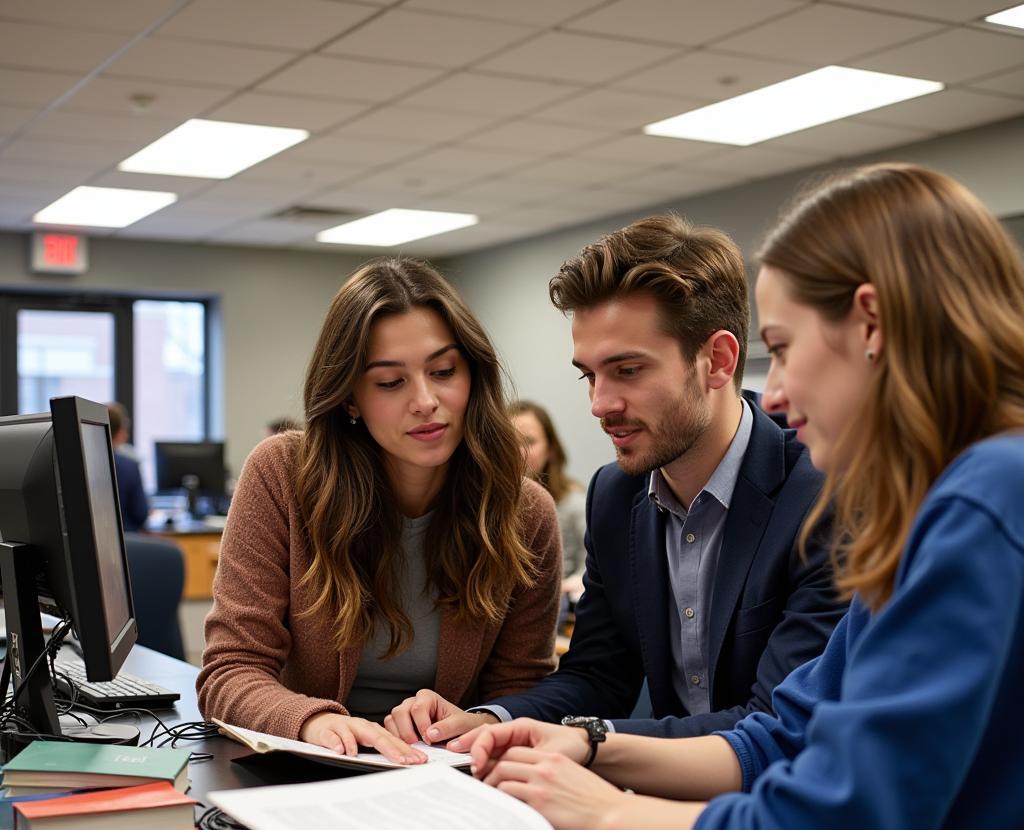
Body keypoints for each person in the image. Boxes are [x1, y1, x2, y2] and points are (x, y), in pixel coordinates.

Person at [466, 164, 1024, 830]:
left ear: (870, 324)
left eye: (788, 347)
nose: (784, 393)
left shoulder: (988, 498)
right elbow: (783, 737)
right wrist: (586, 745)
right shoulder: (931, 508)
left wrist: (609, 814)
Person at [386, 213, 844, 746]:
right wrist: (490, 720)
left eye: (628, 370)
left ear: (717, 361)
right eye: (589, 374)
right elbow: (596, 678)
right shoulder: (616, 495)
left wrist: (589, 745)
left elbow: (774, 725)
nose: (600, 404)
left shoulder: (821, 490)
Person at [197, 257, 562, 764]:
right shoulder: (282, 475)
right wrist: (318, 723)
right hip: (308, 768)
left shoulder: (524, 512)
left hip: (444, 776)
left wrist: (480, 719)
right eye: (391, 382)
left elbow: (522, 689)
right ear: (350, 398)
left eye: (443, 371)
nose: (426, 401)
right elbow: (230, 671)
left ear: (472, 375)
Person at [510, 399, 586, 601]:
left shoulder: (574, 504)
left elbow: (592, 569)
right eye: (509, 441)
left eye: (529, 441)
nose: (518, 452)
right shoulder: (489, 506)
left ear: (551, 448)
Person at [107, 401, 149, 532]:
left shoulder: (84, 463)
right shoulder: (129, 467)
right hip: (126, 541)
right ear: (119, 432)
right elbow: (140, 514)